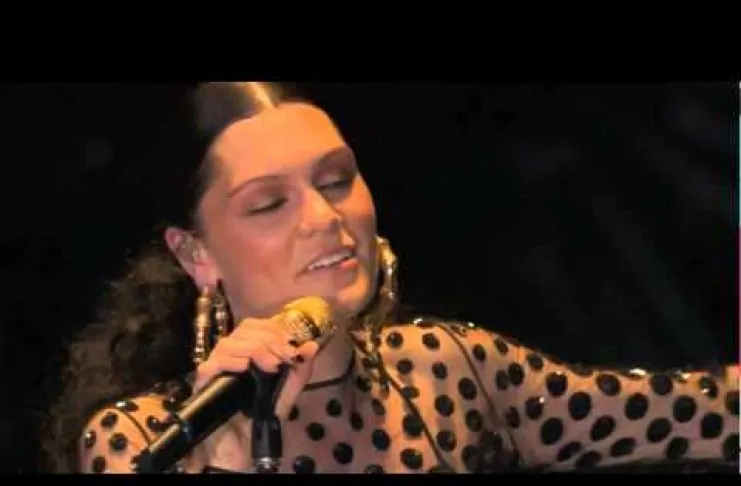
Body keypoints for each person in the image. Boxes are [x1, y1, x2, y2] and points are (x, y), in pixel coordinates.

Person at [42, 82, 739, 474]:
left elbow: (701, 411)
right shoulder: (139, 440)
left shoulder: (448, 369)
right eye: (269, 204)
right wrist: (226, 450)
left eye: (336, 180)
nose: (325, 217)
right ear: (197, 255)